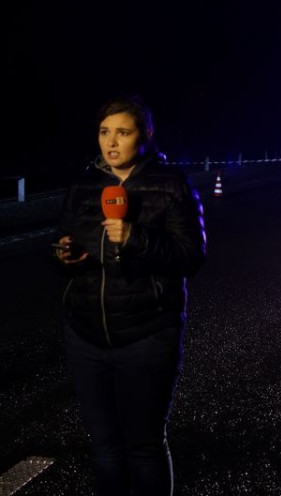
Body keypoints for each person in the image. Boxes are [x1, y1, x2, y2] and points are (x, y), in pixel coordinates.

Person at [52, 94, 207, 495]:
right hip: (85, 335)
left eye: (123, 132)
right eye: (105, 132)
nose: (112, 142)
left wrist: (137, 238)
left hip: (148, 334)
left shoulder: (171, 185)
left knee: (143, 445)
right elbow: (62, 241)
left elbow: (192, 256)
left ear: (146, 135)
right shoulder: (85, 185)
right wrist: (64, 254)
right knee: (104, 448)